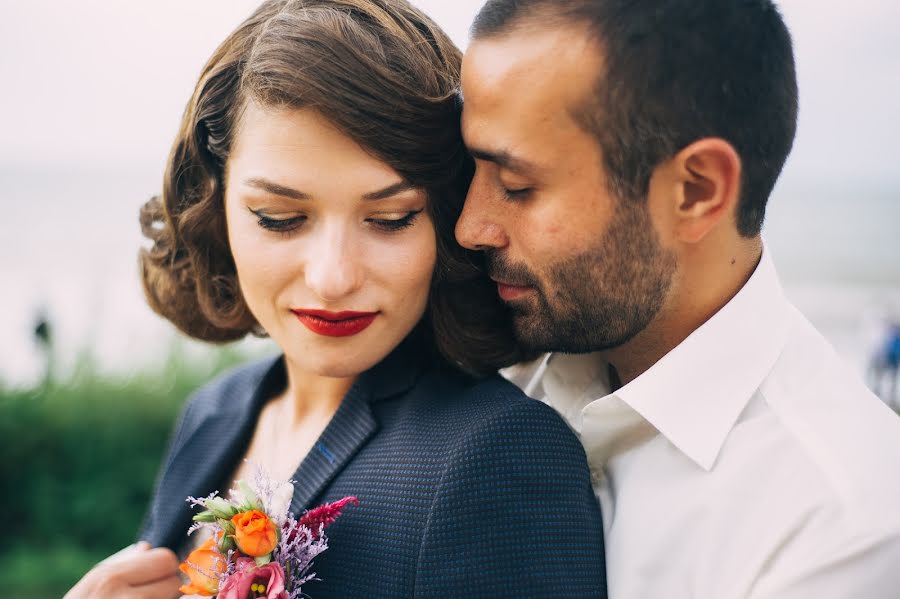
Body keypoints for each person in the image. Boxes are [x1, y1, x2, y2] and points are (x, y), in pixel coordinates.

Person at [63, 1, 607, 598]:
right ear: (214, 208)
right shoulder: (212, 414)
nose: (332, 277)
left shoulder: (501, 459)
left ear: (448, 217)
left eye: (391, 219)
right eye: (279, 218)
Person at [455, 0, 900, 597]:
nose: (470, 226)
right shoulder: (497, 359)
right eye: (470, 171)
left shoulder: (843, 523)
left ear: (696, 191)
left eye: (517, 185)